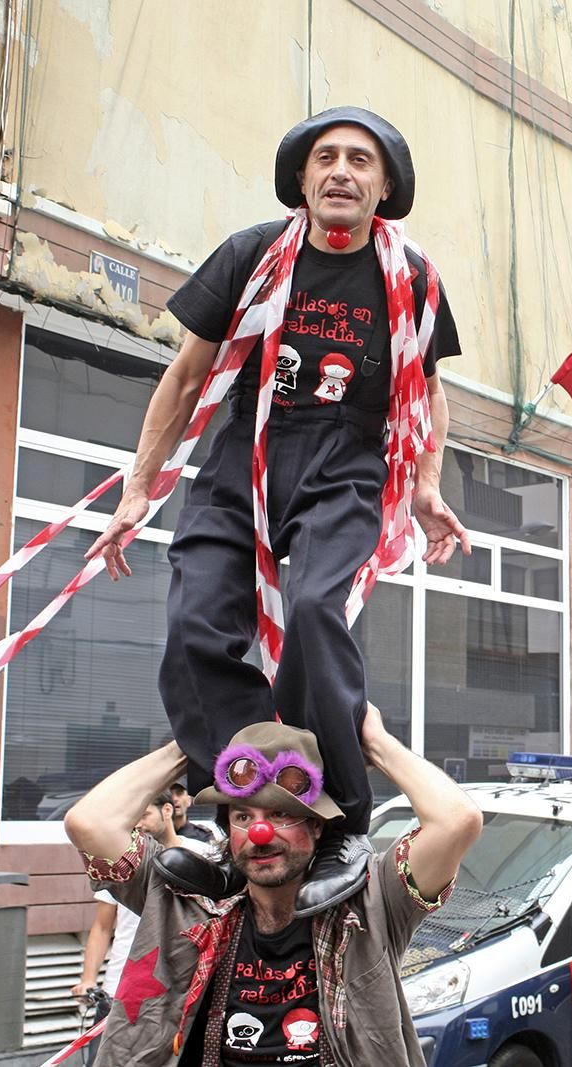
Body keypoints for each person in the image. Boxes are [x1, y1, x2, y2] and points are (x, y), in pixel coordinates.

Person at [85, 105, 471, 903]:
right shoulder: (252, 254)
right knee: (196, 617)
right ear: (300, 179)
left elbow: (428, 392)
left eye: (360, 160)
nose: (341, 171)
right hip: (250, 443)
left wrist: (427, 485)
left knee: (316, 611)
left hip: (347, 458)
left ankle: (341, 824)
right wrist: (137, 488)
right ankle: (233, 795)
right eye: (324, 157)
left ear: (384, 185)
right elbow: (185, 377)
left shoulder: (414, 277)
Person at [61, 706, 482, 1066]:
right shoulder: (185, 899)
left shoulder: (373, 900)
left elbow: (456, 821)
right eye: (242, 817)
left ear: (317, 827)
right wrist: (184, 747)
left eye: (283, 816)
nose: (260, 832)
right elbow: (90, 822)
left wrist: (375, 744)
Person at [69, 791, 214, 1063]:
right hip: (120, 987)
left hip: (174, 986)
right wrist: (88, 978)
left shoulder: (203, 853)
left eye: (144, 815)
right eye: (132, 819)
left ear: (168, 811)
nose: (138, 825)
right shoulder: (123, 862)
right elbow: (102, 927)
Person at [169, 780, 220, 847]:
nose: (174, 799)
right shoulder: (156, 835)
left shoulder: (203, 836)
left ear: (189, 801)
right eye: (170, 794)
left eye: (179, 793)